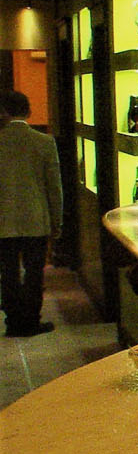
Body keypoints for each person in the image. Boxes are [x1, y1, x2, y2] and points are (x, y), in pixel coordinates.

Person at [0, 89, 62, 338]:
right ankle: (31, 321)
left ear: (3, 112)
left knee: (8, 273)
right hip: (36, 218)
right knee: (35, 273)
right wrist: (57, 221)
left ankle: (13, 322)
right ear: (28, 111)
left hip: (3, 220)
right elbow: (54, 187)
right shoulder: (44, 142)